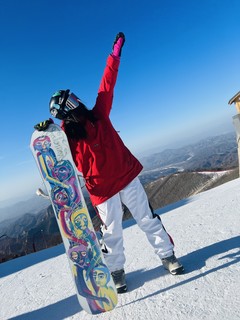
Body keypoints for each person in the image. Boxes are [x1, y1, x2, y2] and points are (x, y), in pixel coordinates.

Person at [36, 32, 184, 294]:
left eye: (74, 97)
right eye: (70, 102)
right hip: (102, 191)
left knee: (147, 220)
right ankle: (116, 271)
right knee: (112, 233)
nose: (77, 101)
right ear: (65, 113)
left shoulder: (99, 115)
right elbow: (59, 160)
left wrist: (114, 55)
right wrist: (48, 134)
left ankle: (168, 256)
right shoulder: (67, 137)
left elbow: (107, 85)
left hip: (126, 177)